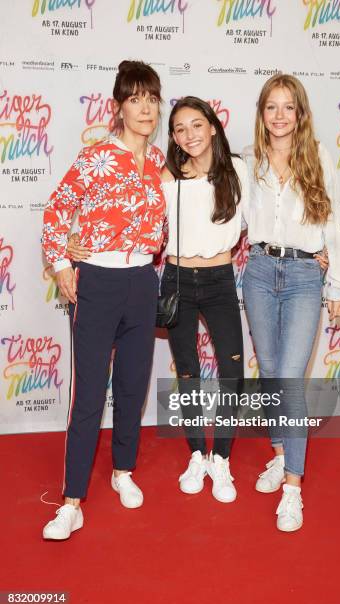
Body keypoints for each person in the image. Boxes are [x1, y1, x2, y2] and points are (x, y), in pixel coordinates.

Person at [41, 60, 166, 540]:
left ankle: (123, 471)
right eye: (135, 99)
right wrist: (61, 263)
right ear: (118, 107)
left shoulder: (159, 163)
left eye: (151, 98)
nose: (145, 108)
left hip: (142, 283)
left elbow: (165, 223)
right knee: (89, 393)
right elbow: (56, 210)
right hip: (97, 283)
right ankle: (72, 501)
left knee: (133, 388)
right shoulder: (95, 156)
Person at [242, 74, 340, 531]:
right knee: (269, 371)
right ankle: (281, 452)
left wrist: (339, 285)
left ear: (300, 113)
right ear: (262, 113)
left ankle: (292, 487)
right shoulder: (249, 160)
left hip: (307, 274)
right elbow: (228, 213)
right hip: (260, 273)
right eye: (272, 106)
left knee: (288, 379)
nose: (280, 115)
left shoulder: (318, 156)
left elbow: (334, 221)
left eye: (289, 106)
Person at [161, 97, 249, 503]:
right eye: (180, 129)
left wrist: (316, 250)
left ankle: (222, 458)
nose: (189, 135)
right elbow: (132, 221)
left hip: (219, 279)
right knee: (188, 372)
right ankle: (197, 453)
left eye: (197, 125)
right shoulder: (166, 176)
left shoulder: (238, 171)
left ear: (213, 127)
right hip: (177, 278)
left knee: (233, 373)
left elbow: (266, 223)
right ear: (174, 137)